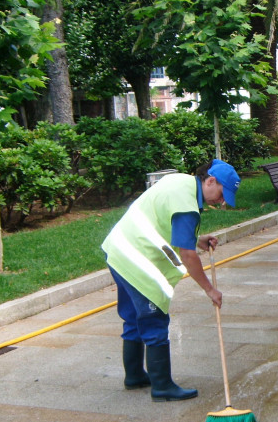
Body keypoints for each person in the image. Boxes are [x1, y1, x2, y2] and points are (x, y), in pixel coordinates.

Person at [101, 159, 241, 402]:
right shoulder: (187, 204)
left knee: (134, 317)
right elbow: (187, 255)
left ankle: (134, 376)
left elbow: (165, 220)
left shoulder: (181, 182)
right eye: (221, 194)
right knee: (154, 319)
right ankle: (162, 386)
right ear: (210, 181)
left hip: (118, 250)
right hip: (137, 260)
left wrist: (196, 238)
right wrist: (210, 290)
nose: (221, 201)